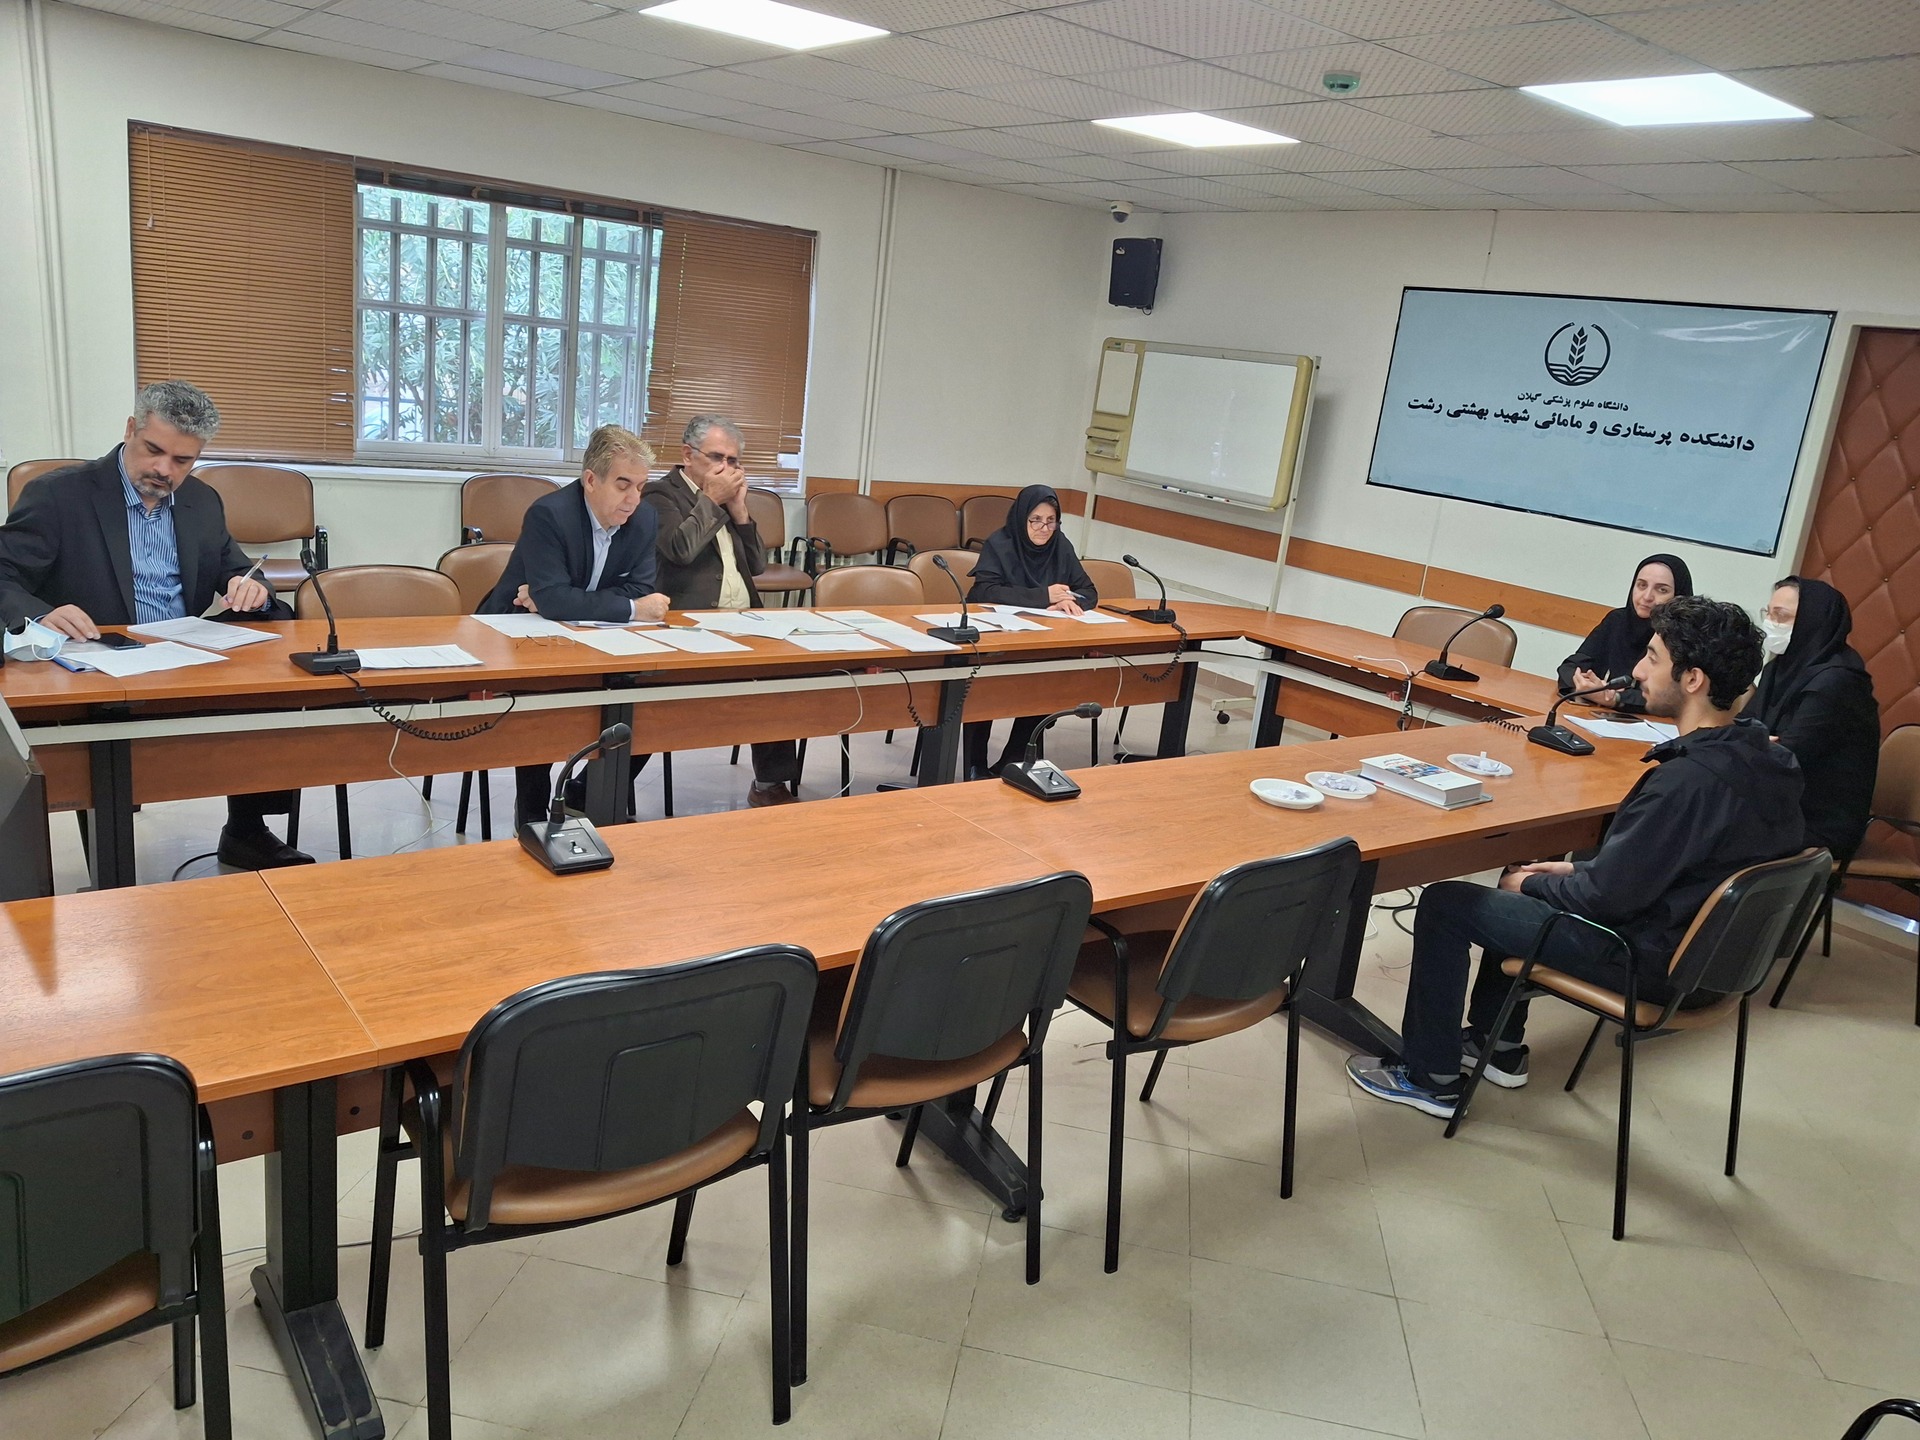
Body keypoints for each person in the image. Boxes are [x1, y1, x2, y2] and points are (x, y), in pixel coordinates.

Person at [1349, 595, 1804, 1120]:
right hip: (1711, 962)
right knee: (1532, 879)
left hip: (1649, 960)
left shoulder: (1687, 782)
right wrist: (1571, 871)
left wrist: (1537, 884)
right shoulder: (1770, 759)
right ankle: (1498, 1046)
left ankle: (1432, 1077)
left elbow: (1607, 899)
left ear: (1693, 679)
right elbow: (1676, 867)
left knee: (1449, 903)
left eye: (1652, 658)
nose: (1638, 670)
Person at [0, 380, 309, 869]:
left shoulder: (201, 500)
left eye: (182, 460)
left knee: (273, 638)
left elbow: (236, 566)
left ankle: (246, 830)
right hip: (100, 656)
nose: (165, 470)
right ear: (130, 429)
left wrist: (248, 585)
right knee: (100, 726)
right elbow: (4, 573)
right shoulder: (59, 494)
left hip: (183, 649)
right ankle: (109, 859)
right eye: (153, 451)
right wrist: (40, 613)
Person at [478, 424, 671, 827]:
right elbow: (559, 600)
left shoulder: (644, 518)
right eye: (623, 485)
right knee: (543, 703)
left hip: (593, 635)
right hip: (517, 633)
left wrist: (563, 601)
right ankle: (532, 816)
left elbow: (637, 588)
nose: (633, 499)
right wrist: (625, 608)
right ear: (590, 480)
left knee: (648, 702)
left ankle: (582, 797)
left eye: (640, 486)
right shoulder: (550, 514)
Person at [640, 414, 800, 807]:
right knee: (648, 708)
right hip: (687, 623)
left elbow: (757, 566)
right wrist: (710, 500)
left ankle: (769, 784)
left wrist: (740, 512)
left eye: (733, 460)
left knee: (779, 676)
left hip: (745, 620)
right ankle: (592, 790)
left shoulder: (728, 499)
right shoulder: (660, 495)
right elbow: (679, 549)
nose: (726, 468)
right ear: (688, 454)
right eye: (716, 457)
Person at [962, 485, 1098, 778]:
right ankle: (975, 766)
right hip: (994, 641)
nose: (1044, 529)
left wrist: (1069, 602)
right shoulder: (1000, 543)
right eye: (1035, 520)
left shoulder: (1060, 545)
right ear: (1021, 517)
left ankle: (1014, 757)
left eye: (1051, 521)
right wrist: (1042, 596)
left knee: (1046, 682)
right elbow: (984, 591)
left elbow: (1089, 591)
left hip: (1041, 641)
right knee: (982, 691)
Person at [1751, 576, 1878, 865]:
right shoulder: (1778, 668)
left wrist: (1756, 742)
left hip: (1820, 821)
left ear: (1812, 621)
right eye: (1768, 613)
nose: (1770, 623)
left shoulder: (1838, 680)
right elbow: (1745, 728)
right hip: (1780, 802)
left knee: (1715, 832)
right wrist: (1755, 741)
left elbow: (1787, 755)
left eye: (1781, 616)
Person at [1557, 553, 1694, 712]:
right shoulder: (1617, 620)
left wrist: (1615, 698)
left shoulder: (1685, 635)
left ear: (1679, 596)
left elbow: (1673, 697)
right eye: (1641, 585)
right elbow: (1571, 666)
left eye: (1662, 590)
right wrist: (1584, 684)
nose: (1647, 596)